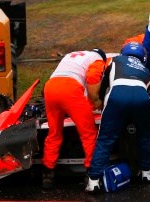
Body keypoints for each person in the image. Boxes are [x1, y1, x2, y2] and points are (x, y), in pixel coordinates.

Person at [85, 43, 150, 193]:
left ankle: (93, 181)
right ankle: (147, 172)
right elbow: (149, 92)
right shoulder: (146, 69)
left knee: (105, 139)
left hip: (117, 95)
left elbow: (104, 85)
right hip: (142, 97)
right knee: (145, 135)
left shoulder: (116, 60)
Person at [41, 49, 107, 189]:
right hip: (70, 89)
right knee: (89, 133)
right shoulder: (98, 59)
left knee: (54, 133)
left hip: (50, 87)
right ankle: (91, 173)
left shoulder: (72, 55)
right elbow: (93, 79)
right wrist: (96, 102)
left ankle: (47, 173)